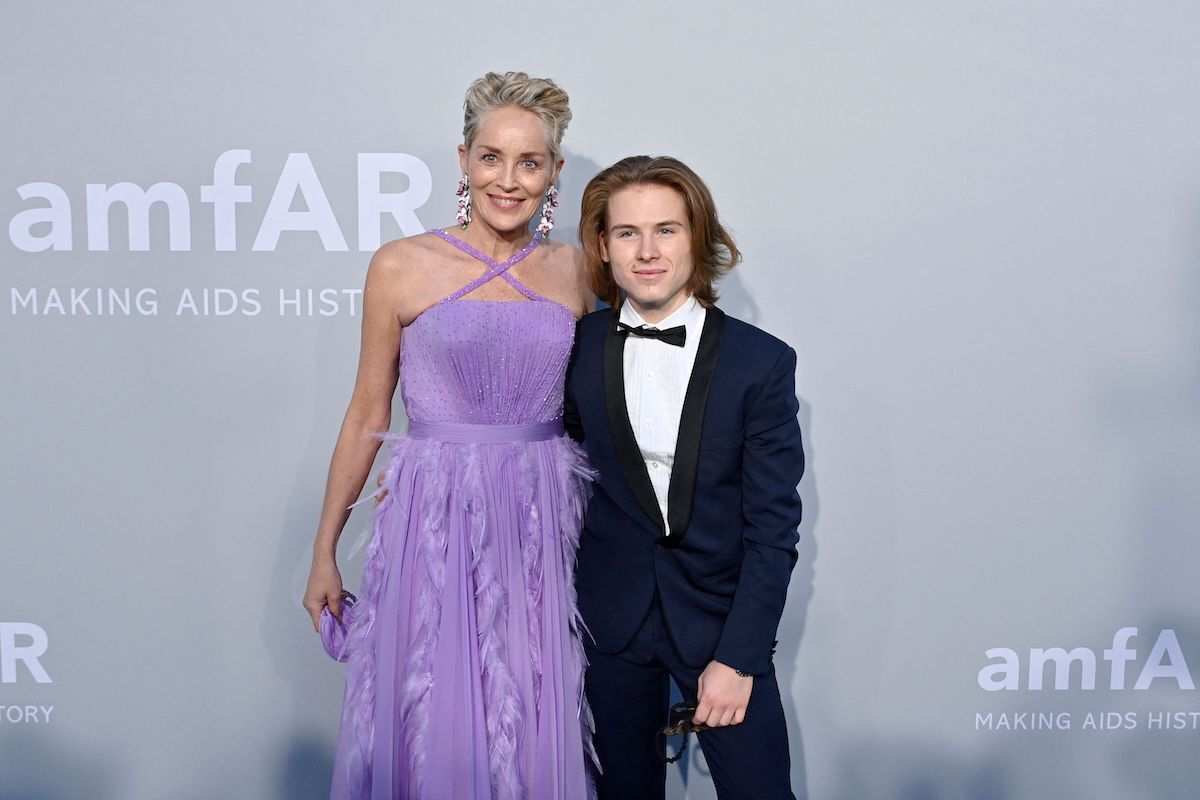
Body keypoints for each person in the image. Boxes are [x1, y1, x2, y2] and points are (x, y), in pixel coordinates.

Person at [303, 72, 596, 799]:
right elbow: (368, 413)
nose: (509, 179)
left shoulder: (578, 272)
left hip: (541, 525)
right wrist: (323, 551)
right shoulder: (401, 266)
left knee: (533, 714)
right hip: (433, 521)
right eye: (491, 157)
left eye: (530, 162)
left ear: (555, 172)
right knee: (429, 710)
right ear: (464, 159)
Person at [564, 155, 805, 799]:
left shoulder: (762, 363)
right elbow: (542, 458)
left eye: (666, 230)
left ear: (698, 237)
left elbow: (773, 529)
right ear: (603, 246)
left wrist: (740, 656)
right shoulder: (575, 348)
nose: (647, 251)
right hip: (610, 627)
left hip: (721, 627)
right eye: (627, 233)